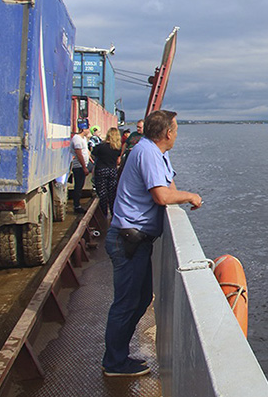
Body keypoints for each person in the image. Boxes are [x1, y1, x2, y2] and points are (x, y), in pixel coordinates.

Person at [102, 110, 202, 377]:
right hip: (128, 240)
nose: (177, 133)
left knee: (142, 297)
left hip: (136, 241)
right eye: (176, 129)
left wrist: (178, 195)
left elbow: (168, 184)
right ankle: (114, 363)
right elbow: (160, 195)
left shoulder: (155, 152)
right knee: (125, 303)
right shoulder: (146, 153)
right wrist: (190, 195)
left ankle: (118, 356)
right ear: (168, 133)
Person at [91, 127, 122, 217]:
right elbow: (118, 161)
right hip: (112, 170)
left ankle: (103, 214)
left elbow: (93, 155)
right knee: (112, 193)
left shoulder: (100, 147)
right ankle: (113, 213)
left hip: (101, 170)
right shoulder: (117, 148)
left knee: (102, 193)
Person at [70, 119, 91, 214]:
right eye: (87, 128)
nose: (89, 130)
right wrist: (84, 167)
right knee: (78, 186)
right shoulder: (77, 139)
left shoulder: (84, 139)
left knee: (80, 185)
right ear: (83, 129)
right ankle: (77, 206)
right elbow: (79, 154)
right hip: (78, 167)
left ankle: (77, 204)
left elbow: (85, 152)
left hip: (83, 166)